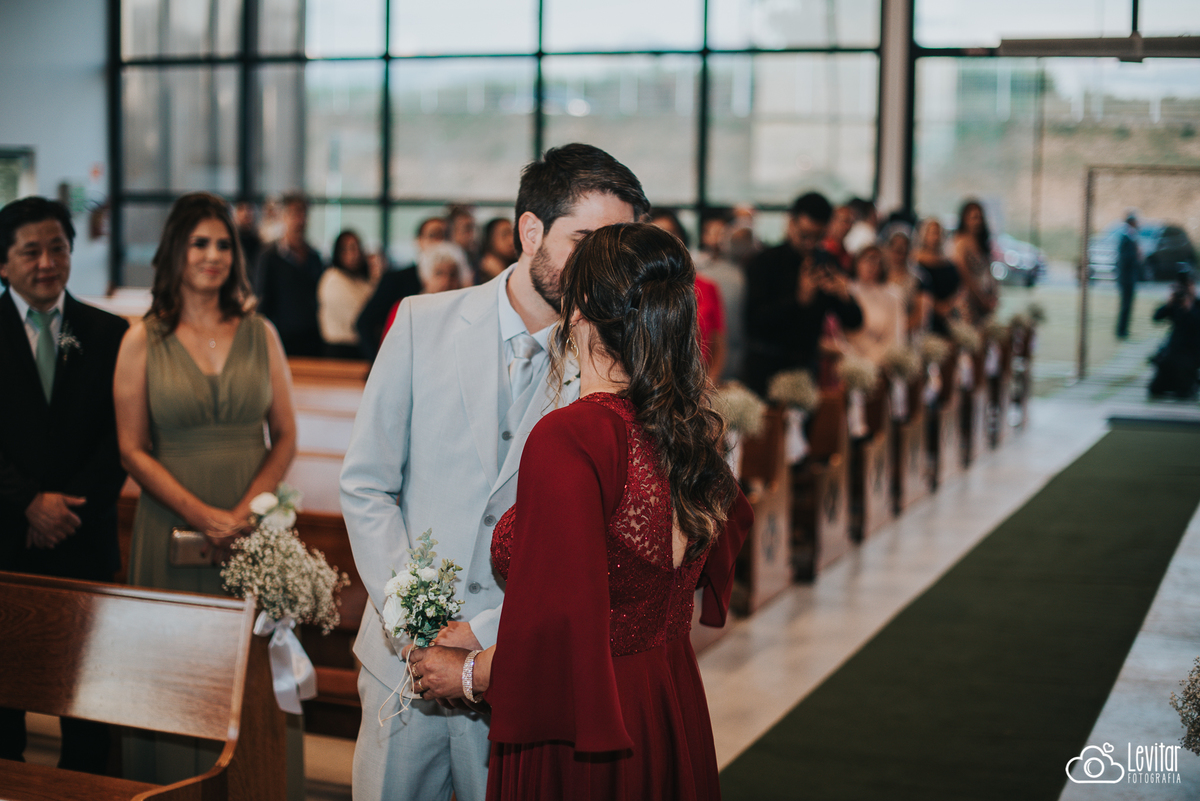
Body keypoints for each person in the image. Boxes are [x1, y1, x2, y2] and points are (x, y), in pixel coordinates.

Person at [340, 143, 649, 801]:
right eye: (585, 240)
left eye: (615, 245)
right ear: (530, 229)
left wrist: (487, 641)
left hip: (515, 674)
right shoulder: (424, 323)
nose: (599, 265)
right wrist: (416, 619)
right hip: (404, 666)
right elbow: (366, 482)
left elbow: (596, 548)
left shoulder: (613, 373)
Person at [408, 222, 753, 800]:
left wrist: (465, 675)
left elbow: (561, 633)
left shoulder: (572, 437)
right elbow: (612, 592)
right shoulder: (689, 433)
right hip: (667, 696)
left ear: (578, 313)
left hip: (585, 720)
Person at [112, 192, 302, 798]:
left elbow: (286, 434)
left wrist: (246, 513)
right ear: (175, 251)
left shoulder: (259, 332)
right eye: (199, 242)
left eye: (223, 243)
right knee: (174, 676)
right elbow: (132, 449)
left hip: (253, 531)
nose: (213, 255)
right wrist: (204, 517)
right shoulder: (144, 339)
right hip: (170, 524)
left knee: (248, 679)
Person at [0, 196, 129, 775]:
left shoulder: (109, 333)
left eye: (58, 247)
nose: (47, 261)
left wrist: (65, 509)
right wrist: (28, 501)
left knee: (89, 702)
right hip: (6, 540)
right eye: (31, 251)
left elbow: (120, 440)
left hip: (85, 540)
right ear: (4, 264)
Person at [743, 191, 863, 396]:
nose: (809, 244)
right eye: (804, 235)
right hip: (765, 369)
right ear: (791, 223)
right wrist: (798, 300)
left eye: (817, 238)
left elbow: (854, 321)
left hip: (806, 370)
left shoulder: (825, 262)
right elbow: (753, 322)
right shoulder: (764, 261)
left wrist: (845, 297)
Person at [649, 208, 726, 382]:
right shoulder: (637, 290)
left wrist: (708, 385)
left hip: (698, 386)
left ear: (681, 238)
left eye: (670, 234)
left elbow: (719, 345)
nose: (663, 243)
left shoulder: (707, 287)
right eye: (655, 237)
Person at [355, 216, 446, 360]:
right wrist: (379, 362)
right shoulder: (396, 279)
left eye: (445, 236)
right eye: (433, 235)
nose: (440, 242)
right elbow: (364, 323)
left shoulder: (459, 283)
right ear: (418, 241)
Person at [255, 191, 325, 356]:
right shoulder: (269, 257)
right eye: (294, 213)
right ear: (283, 217)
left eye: (303, 213)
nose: (300, 220)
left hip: (311, 338)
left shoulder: (314, 257)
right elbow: (262, 301)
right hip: (281, 339)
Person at [695, 207, 746, 382]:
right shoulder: (696, 270)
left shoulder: (739, 271)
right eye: (713, 232)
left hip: (732, 345)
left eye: (722, 233)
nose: (717, 238)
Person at [380, 242, 471, 341]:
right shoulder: (405, 308)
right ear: (425, 277)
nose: (446, 281)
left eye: (453, 274)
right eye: (439, 273)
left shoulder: (465, 312)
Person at [319, 229, 377, 359]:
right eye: (348, 249)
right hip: (340, 349)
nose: (354, 254)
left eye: (357, 248)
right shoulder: (332, 278)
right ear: (338, 252)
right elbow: (361, 314)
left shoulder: (362, 280)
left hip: (361, 347)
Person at [847, 245, 905, 365]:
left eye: (877, 262)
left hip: (881, 360)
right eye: (867, 260)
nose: (871, 266)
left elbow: (895, 334)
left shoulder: (892, 295)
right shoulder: (847, 290)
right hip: (849, 357)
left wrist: (874, 359)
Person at [1149, 268, 1200, 399]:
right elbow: (1156, 318)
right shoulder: (1175, 303)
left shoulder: (1197, 304)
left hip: (1192, 350)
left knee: (1184, 393)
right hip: (1174, 348)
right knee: (1155, 389)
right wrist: (1168, 304)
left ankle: (1190, 383)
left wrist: (1189, 307)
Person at [949, 200, 998, 326]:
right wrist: (980, 298)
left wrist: (993, 296)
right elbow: (963, 273)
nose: (977, 222)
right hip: (968, 300)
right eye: (973, 218)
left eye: (980, 218)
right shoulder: (960, 242)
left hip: (984, 298)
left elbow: (988, 272)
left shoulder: (982, 243)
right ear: (964, 219)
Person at [914, 218, 961, 338]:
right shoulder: (915, 260)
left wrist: (949, 305)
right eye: (931, 233)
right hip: (926, 312)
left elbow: (959, 287)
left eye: (937, 233)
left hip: (948, 315)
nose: (935, 237)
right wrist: (935, 306)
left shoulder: (948, 261)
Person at [1116, 212, 1142, 340]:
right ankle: (1121, 330)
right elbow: (1124, 258)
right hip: (1126, 278)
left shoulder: (1131, 236)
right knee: (1125, 305)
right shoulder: (1126, 237)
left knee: (1128, 305)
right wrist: (1136, 255)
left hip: (1129, 277)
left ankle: (1124, 329)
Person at [478, 217, 517, 282]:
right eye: (505, 235)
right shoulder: (481, 271)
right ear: (490, 239)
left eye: (512, 234)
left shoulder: (514, 266)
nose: (511, 241)